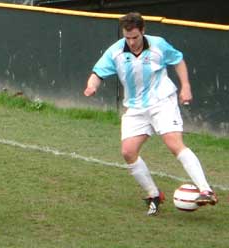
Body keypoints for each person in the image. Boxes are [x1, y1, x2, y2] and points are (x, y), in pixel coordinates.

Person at [84, 12, 217, 216]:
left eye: (135, 37)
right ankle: (153, 194)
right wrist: (91, 86)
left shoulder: (158, 45)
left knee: (174, 143)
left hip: (162, 101)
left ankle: (206, 190)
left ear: (143, 31)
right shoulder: (116, 51)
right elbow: (98, 73)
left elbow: (178, 60)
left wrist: (186, 86)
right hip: (136, 107)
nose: (131, 42)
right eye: (127, 38)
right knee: (128, 152)